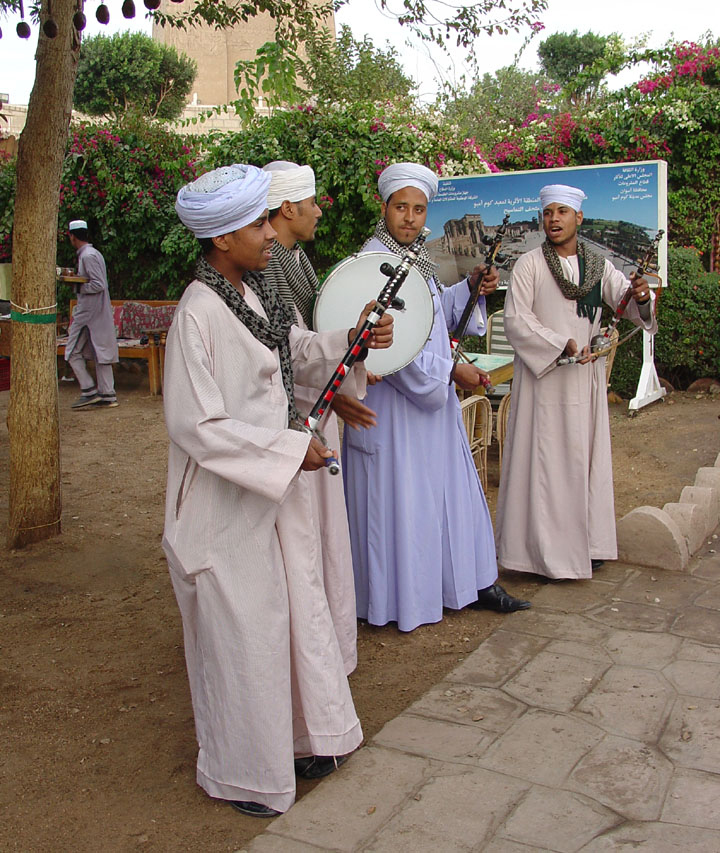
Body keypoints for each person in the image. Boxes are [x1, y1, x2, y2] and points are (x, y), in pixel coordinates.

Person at [164, 163, 392, 818]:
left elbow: (293, 345)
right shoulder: (197, 313)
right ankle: (245, 773)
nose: (271, 233)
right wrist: (291, 449)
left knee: (290, 619)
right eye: (258, 222)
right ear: (220, 238)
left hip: (271, 490)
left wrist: (349, 338)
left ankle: (304, 739)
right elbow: (197, 425)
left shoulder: (259, 290)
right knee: (244, 638)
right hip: (223, 506)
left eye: (269, 218)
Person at [342, 162, 531, 633]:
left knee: (447, 496)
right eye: (401, 207)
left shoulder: (415, 259)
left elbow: (429, 317)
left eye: (418, 209)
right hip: (393, 413)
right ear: (383, 208)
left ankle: (467, 583)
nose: (409, 217)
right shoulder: (372, 263)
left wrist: (468, 288)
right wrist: (450, 372)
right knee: (402, 503)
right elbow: (389, 349)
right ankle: (401, 600)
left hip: (433, 408)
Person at [495, 184, 658, 581]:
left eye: (562, 212)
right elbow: (517, 320)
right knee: (545, 466)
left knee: (583, 460)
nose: (554, 219)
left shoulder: (599, 266)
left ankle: (586, 545)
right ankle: (539, 554)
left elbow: (627, 303)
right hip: (544, 381)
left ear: (578, 218)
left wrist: (641, 295)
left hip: (583, 380)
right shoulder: (530, 264)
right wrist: (560, 344)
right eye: (548, 212)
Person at [262, 160, 376, 675]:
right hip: (292, 428)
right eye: (311, 203)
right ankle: (304, 658)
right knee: (301, 546)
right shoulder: (266, 272)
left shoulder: (297, 263)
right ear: (288, 209)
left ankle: (327, 651)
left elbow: (307, 343)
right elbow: (281, 357)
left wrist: (338, 389)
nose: (319, 211)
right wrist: (332, 398)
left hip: (316, 413)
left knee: (324, 540)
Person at [65, 219, 119, 409]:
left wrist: (77, 285)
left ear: (72, 237)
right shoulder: (92, 254)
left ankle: (88, 390)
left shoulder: (88, 256)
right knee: (100, 352)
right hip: (96, 311)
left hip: (88, 311)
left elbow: (98, 284)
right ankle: (107, 394)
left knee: (71, 352)